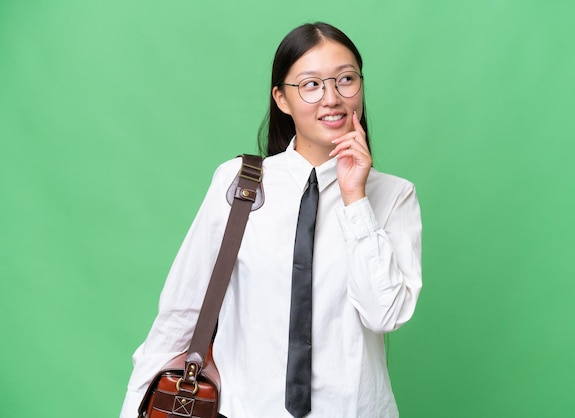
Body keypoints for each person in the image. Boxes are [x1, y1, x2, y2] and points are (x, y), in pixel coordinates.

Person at [121, 22, 422, 418]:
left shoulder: (394, 195)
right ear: (282, 98)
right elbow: (181, 311)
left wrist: (355, 198)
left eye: (346, 79)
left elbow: (385, 314)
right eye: (311, 85)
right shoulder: (238, 184)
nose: (332, 98)